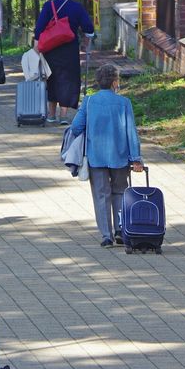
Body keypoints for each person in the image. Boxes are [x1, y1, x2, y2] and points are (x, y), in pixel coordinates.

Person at [70, 64, 144, 247]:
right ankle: (120, 230)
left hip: (96, 156)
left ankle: (106, 236)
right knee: (120, 192)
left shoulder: (89, 101)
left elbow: (76, 127)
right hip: (119, 156)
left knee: (101, 195)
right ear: (114, 82)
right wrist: (136, 159)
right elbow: (131, 132)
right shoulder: (124, 103)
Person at [33, 0, 95, 124]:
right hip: (69, 49)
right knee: (68, 80)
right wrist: (86, 41)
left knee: (51, 78)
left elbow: (39, 29)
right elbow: (89, 29)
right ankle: (64, 116)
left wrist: (36, 48)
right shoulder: (77, 7)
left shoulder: (49, 6)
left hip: (50, 48)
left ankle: (51, 114)